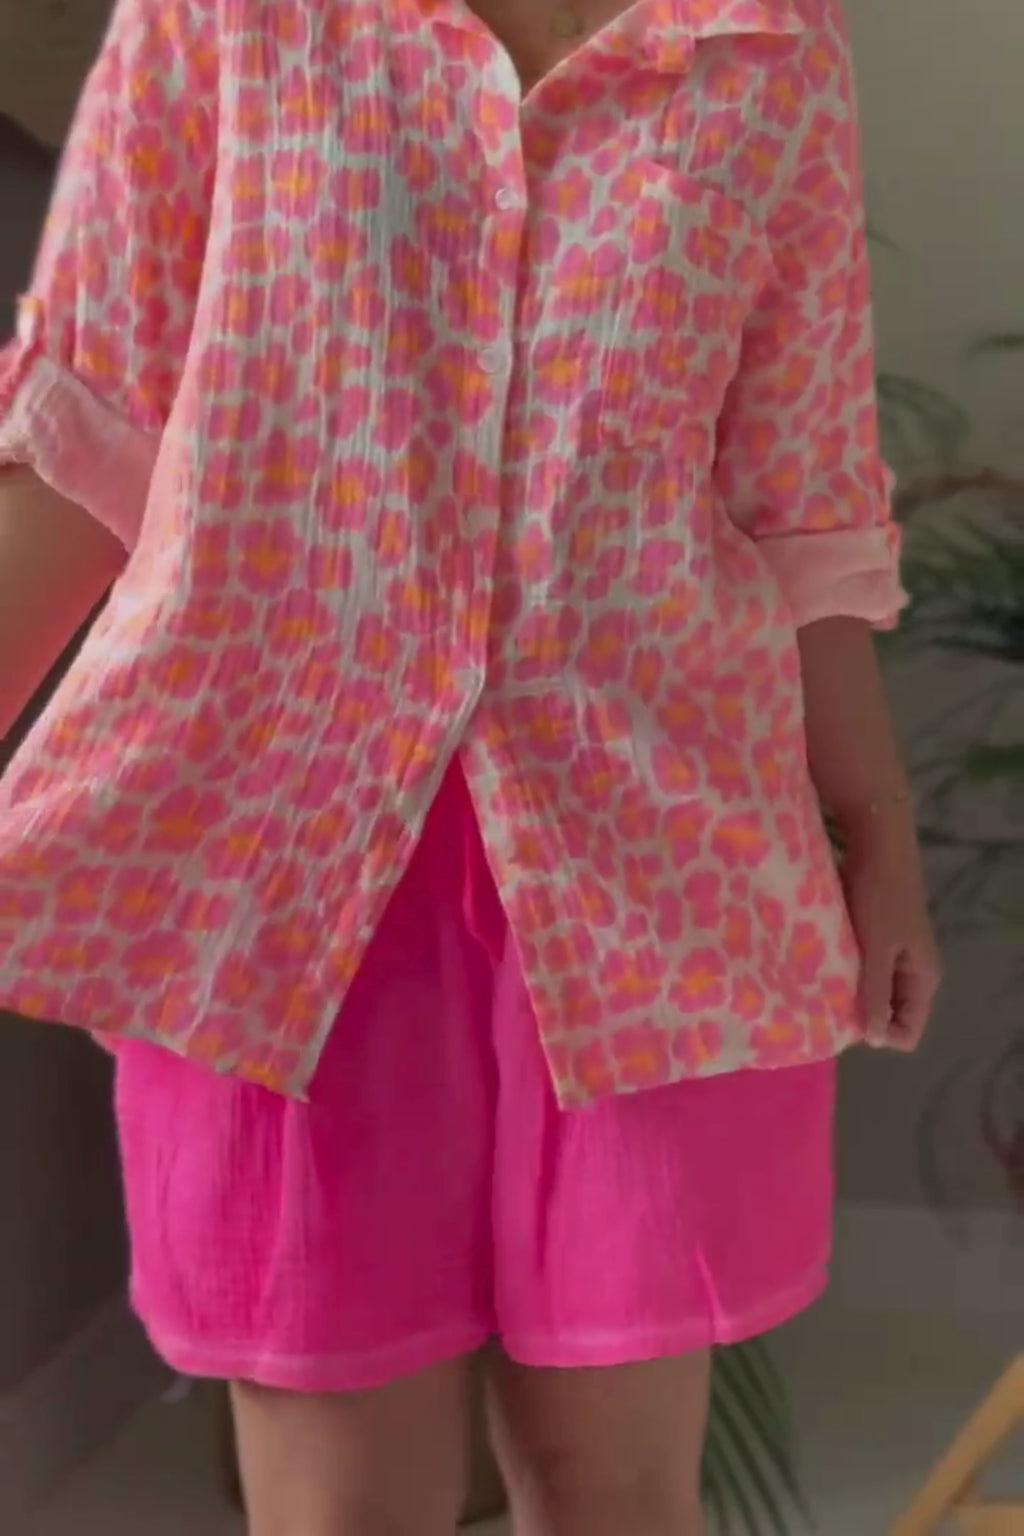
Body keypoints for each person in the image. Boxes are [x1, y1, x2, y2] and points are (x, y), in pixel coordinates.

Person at [0, 0, 941, 1530]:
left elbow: (799, 493)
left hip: (658, 866)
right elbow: (85, 422)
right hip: (274, 869)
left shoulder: (764, 41)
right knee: (340, 1505)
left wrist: (876, 826)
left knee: (612, 1494)